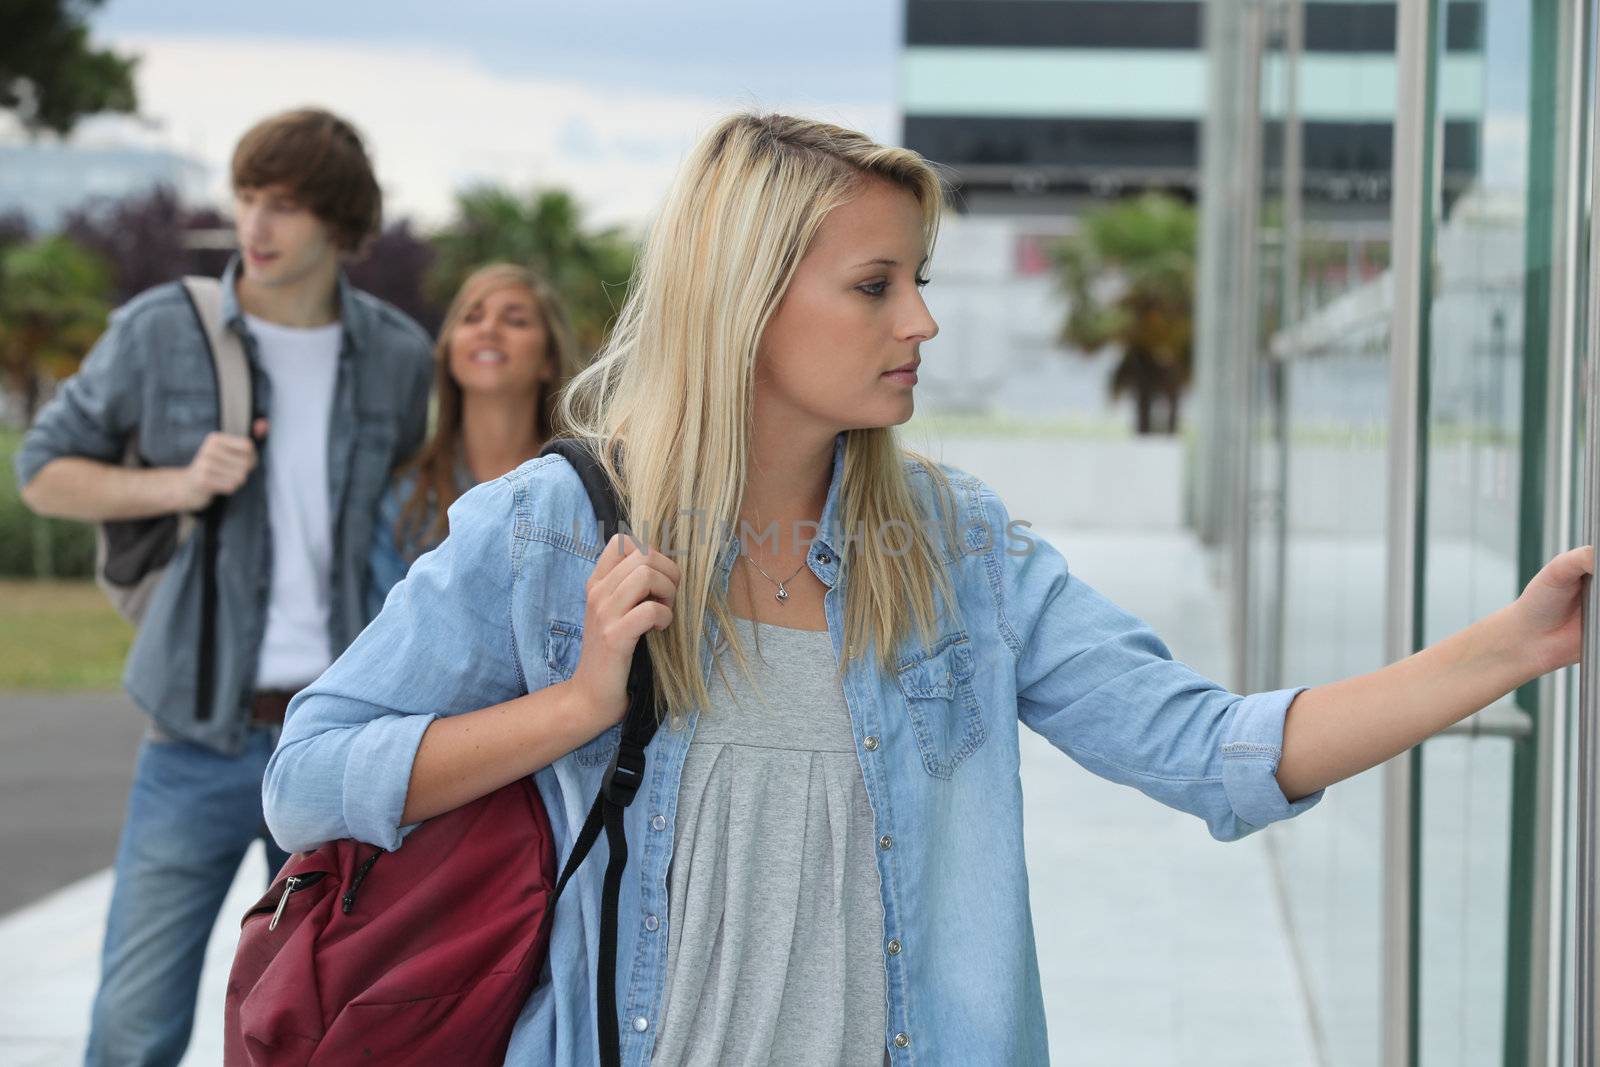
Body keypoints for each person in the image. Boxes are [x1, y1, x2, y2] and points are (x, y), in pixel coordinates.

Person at [261, 113, 1593, 1065]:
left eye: (921, 280)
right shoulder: (552, 533)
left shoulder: (956, 551)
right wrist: (574, 706)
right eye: (876, 285)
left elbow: (1208, 745)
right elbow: (309, 776)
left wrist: (1517, 643)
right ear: (748, 299)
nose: (922, 322)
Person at [15, 107, 433, 1066]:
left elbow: (411, 529)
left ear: (339, 222)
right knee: (133, 1020)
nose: (257, 224)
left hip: (338, 746)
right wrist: (175, 482)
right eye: (248, 197)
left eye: (284, 204)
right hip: (196, 737)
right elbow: (42, 468)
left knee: (324, 1019)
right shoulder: (161, 330)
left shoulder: (398, 358)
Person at [367, 263, 580, 617]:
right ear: (450, 352)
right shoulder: (405, 501)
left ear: (548, 360)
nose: (489, 329)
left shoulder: (582, 489)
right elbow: (384, 636)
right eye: (471, 317)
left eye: (515, 320)